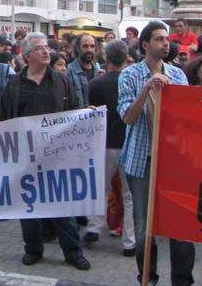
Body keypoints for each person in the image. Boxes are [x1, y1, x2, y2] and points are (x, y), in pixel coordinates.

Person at [0, 32, 91, 271]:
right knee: (28, 207)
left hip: (58, 156)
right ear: (28, 55)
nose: (46, 52)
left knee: (63, 207)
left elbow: (74, 110)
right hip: (26, 156)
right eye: (40, 48)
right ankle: (33, 250)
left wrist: (86, 115)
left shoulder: (61, 81)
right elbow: (6, 118)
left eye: (47, 48)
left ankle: (73, 253)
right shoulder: (15, 84)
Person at [118, 21, 194, 285]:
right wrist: (147, 88)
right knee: (143, 230)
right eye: (160, 39)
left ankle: (182, 280)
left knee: (180, 227)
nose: (166, 44)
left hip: (172, 164)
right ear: (145, 44)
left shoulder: (179, 76)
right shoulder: (129, 75)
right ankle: (147, 277)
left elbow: (186, 120)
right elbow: (128, 117)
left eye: (167, 39)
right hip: (141, 163)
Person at [82, 40, 136, 257]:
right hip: (129, 144)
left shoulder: (97, 84)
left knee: (100, 189)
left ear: (108, 59)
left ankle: (94, 227)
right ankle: (129, 242)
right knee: (129, 195)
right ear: (126, 59)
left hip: (104, 143)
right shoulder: (133, 84)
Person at [66, 33, 100, 108]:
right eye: (85, 46)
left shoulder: (98, 69)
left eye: (92, 46)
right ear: (77, 48)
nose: (89, 50)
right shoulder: (70, 71)